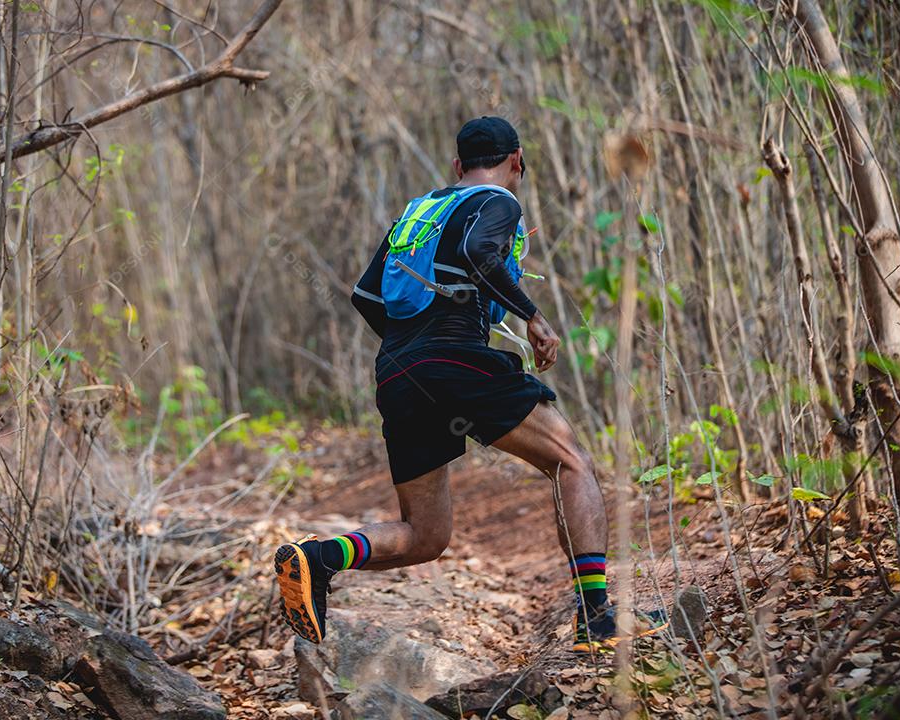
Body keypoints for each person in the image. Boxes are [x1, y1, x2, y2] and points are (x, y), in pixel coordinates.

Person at [273, 117, 665, 652]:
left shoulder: (416, 212)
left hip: (397, 372)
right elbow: (483, 254)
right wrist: (533, 317)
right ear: (517, 161)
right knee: (570, 460)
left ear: (457, 166)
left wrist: (413, 349)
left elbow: (365, 296)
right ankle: (595, 614)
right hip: (454, 357)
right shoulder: (499, 201)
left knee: (425, 536)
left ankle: (318, 559)